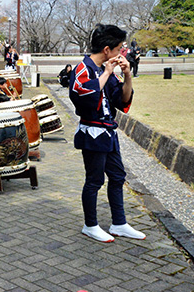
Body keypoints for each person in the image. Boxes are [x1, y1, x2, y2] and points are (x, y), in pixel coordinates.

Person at [69, 24, 145, 243]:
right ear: (106, 49)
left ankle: (119, 223)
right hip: (92, 132)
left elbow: (121, 99)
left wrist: (127, 74)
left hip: (109, 132)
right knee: (94, 180)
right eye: (119, 48)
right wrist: (108, 72)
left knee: (118, 176)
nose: (122, 52)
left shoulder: (107, 69)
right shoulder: (83, 68)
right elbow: (84, 96)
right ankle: (90, 225)